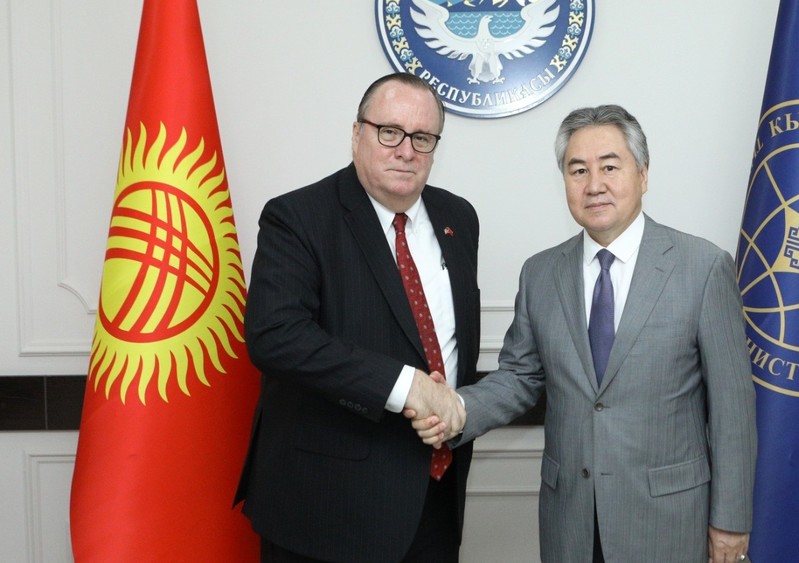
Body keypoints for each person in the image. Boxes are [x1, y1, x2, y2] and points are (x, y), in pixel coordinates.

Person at [412, 105, 756, 562]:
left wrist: (730, 522)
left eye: (610, 167)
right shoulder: (540, 273)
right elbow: (519, 377)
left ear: (643, 174)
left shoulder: (703, 268)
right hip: (571, 521)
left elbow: (733, 410)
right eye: (578, 170)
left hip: (669, 522)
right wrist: (455, 408)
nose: (594, 184)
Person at [235, 72, 479, 563]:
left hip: (435, 501)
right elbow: (275, 336)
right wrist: (407, 386)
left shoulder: (460, 217)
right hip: (327, 511)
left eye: (422, 138)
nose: (406, 150)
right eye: (389, 132)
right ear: (357, 134)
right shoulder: (297, 217)